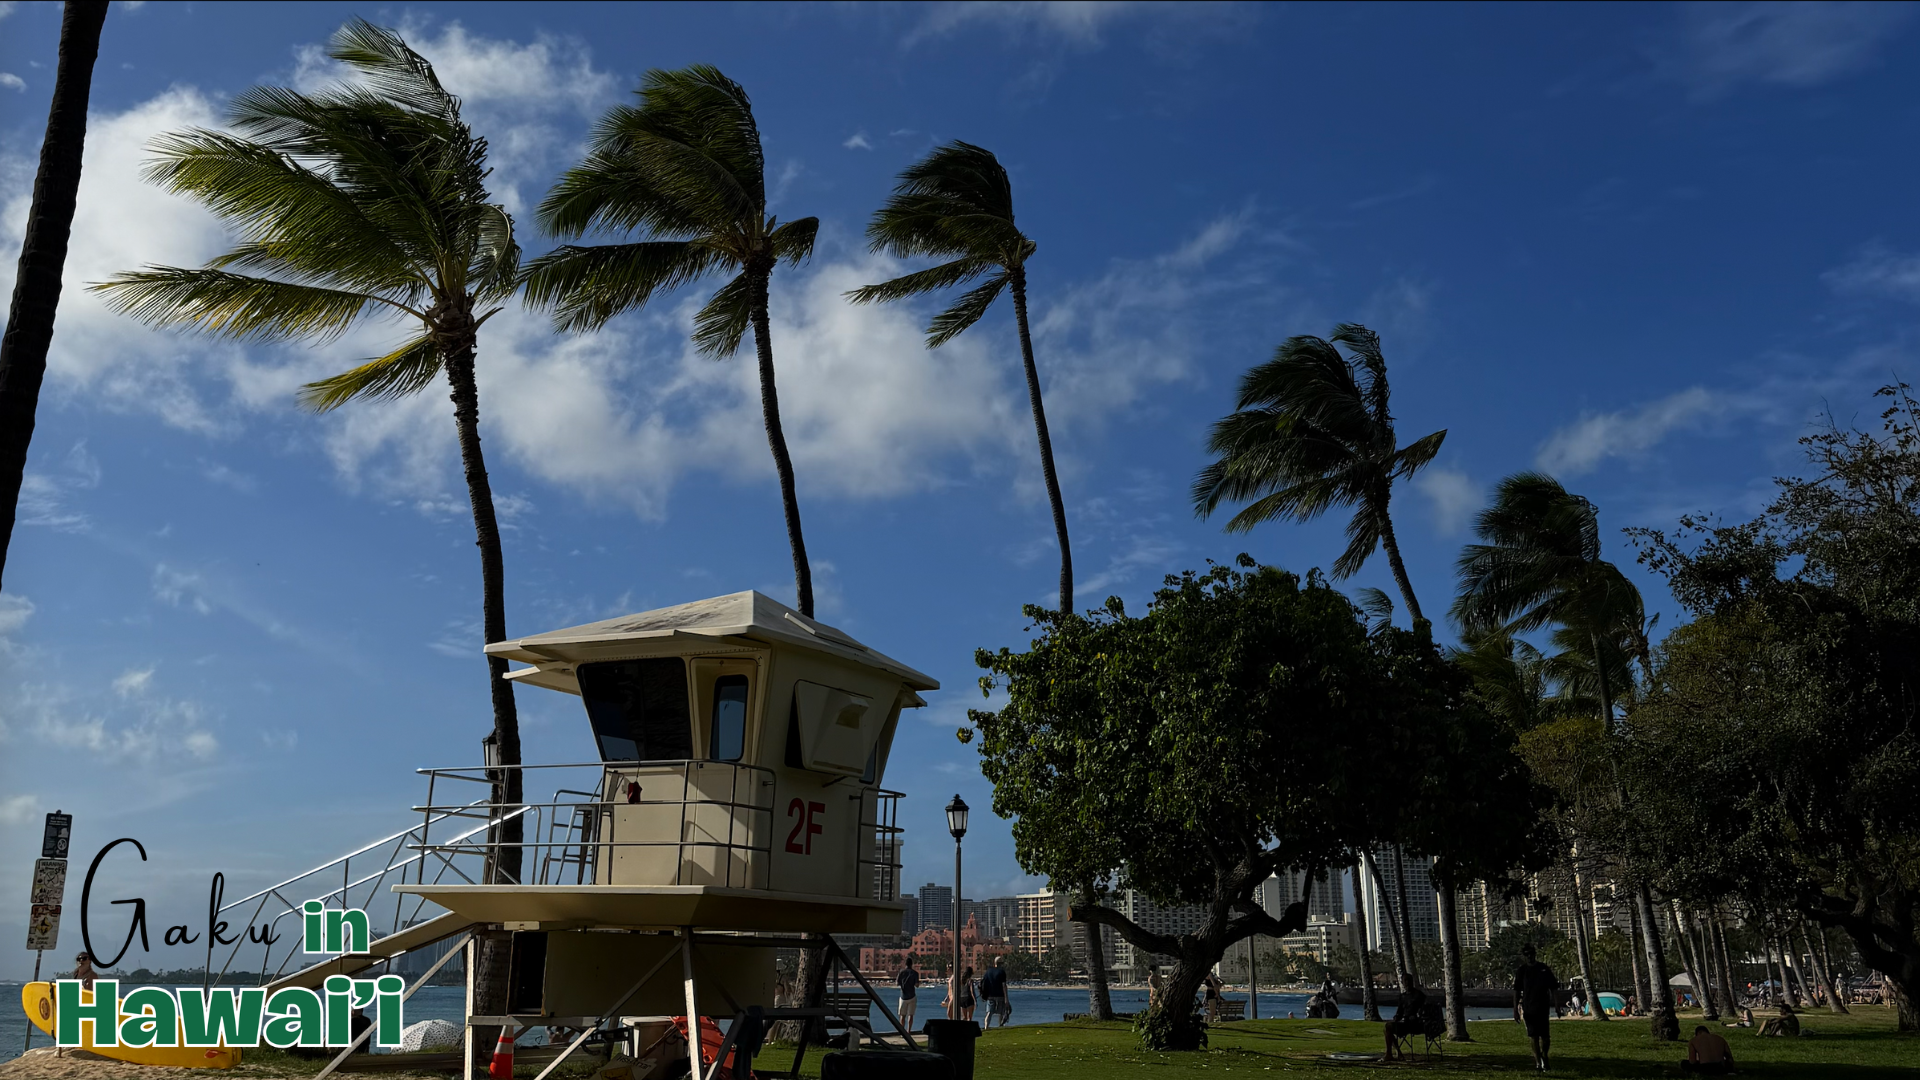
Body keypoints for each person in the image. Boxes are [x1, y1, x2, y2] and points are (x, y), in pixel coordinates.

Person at [1514, 942, 1560, 1073]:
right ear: (1524, 956)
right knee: (1533, 1036)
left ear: (1534, 954)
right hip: (1528, 1008)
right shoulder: (1522, 971)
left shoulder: (1543, 969)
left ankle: (1544, 1055)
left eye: (1531, 954)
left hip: (1543, 1007)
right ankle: (1538, 1062)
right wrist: (1515, 1010)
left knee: (1545, 1037)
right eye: (1527, 955)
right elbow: (1516, 991)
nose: (1529, 956)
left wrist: (1557, 1005)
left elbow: (1554, 988)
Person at [1382, 982, 1428, 1062]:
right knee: (1387, 1028)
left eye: (1408, 980)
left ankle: (1392, 1053)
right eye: (1405, 981)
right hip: (1405, 1023)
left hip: (1416, 1024)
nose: (1407, 983)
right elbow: (1399, 1012)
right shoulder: (1403, 996)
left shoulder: (1419, 995)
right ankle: (1395, 1053)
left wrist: (1417, 1016)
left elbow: (1424, 1010)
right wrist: (1397, 1018)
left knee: (1388, 1027)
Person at [979, 956, 1012, 1029]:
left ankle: (986, 1027)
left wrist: (983, 994)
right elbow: (1004, 986)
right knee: (1001, 1012)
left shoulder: (988, 971)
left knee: (989, 1013)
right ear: (1001, 963)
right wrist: (1006, 999)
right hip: (1000, 995)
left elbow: (984, 983)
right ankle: (1000, 1026)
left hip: (990, 995)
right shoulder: (1002, 972)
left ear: (995, 963)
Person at [895, 956, 920, 1030]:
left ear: (905, 964)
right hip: (912, 996)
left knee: (902, 1015)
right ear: (912, 964)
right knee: (910, 1015)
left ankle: (902, 1031)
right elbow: (917, 985)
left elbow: (897, 983)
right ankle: (908, 1031)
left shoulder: (901, 972)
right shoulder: (915, 973)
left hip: (903, 996)